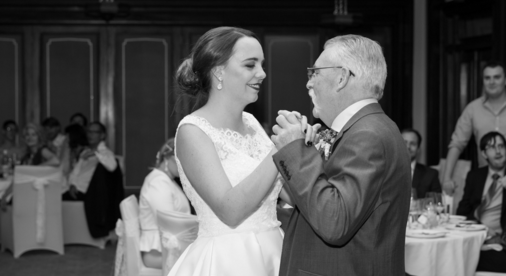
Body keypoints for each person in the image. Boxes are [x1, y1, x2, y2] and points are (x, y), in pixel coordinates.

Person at [271, 34, 411, 276]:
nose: (309, 83)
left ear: (341, 78)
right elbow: (323, 199)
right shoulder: (365, 128)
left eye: (315, 72)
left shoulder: (368, 135)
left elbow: (334, 221)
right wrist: (307, 152)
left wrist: (295, 150)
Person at [169, 26, 288, 276]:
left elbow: (286, 191)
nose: (262, 73)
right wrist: (281, 147)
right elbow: (230, 211)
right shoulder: (193, 131)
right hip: (228, 260)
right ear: (218, 71)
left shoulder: (253, 124)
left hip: (274, 251)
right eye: (250, 65)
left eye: (262, 64)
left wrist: (304, 151)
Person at [444, 61, 506, 196]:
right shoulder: (473, 108)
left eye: (497, 77)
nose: (492, 82)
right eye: (487, 78)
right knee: (483, 216)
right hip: (486, 179)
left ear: (505, 80)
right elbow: (457, 143)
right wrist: (447, 178)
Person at [63, 121, 124, 239]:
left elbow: (112, 166)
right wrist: (72, 185)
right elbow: (75, 173)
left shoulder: (106, 153)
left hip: (92, 194)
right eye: (88, 131)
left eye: (94, 132)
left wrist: (96, 154)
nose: (90, 135)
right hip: (76, 190)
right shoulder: (85, 152)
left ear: (102, 136)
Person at [457, 131, 506, 272]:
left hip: (501, 242)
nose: (498, 151)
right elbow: (462, 211)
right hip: (477, 237)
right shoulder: (475, 176)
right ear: (484, 154)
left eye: (501, 146)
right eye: (491, 147)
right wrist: (482, 229)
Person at [138, 138, 190, 269]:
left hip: (168, 249)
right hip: (159, 253)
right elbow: (169, 224)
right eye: (182, 159)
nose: (186, 165)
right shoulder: (158, 182)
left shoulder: (167, 180)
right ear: (168, 157)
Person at [402, 128, 441, 198]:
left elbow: (436, 202)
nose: (408, 147)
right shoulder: (386, 171)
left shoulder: (431, 174)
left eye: (412, 144)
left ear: (418, 149)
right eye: (404, 143)